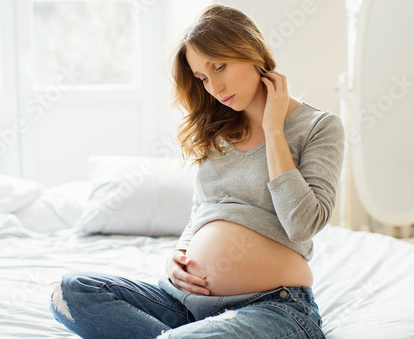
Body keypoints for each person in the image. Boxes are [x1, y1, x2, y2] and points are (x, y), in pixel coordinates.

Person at [50, 4, 344, 338]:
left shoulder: (320, 127)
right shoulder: (217, 131)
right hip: (184, 304)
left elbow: (303, 225)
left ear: (251, 51)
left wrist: (274, 130)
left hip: (273, 306)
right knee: (70, 291)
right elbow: (202, 210)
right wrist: (178, 254)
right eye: (203, 78)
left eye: (220, 67)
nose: (214, 88)